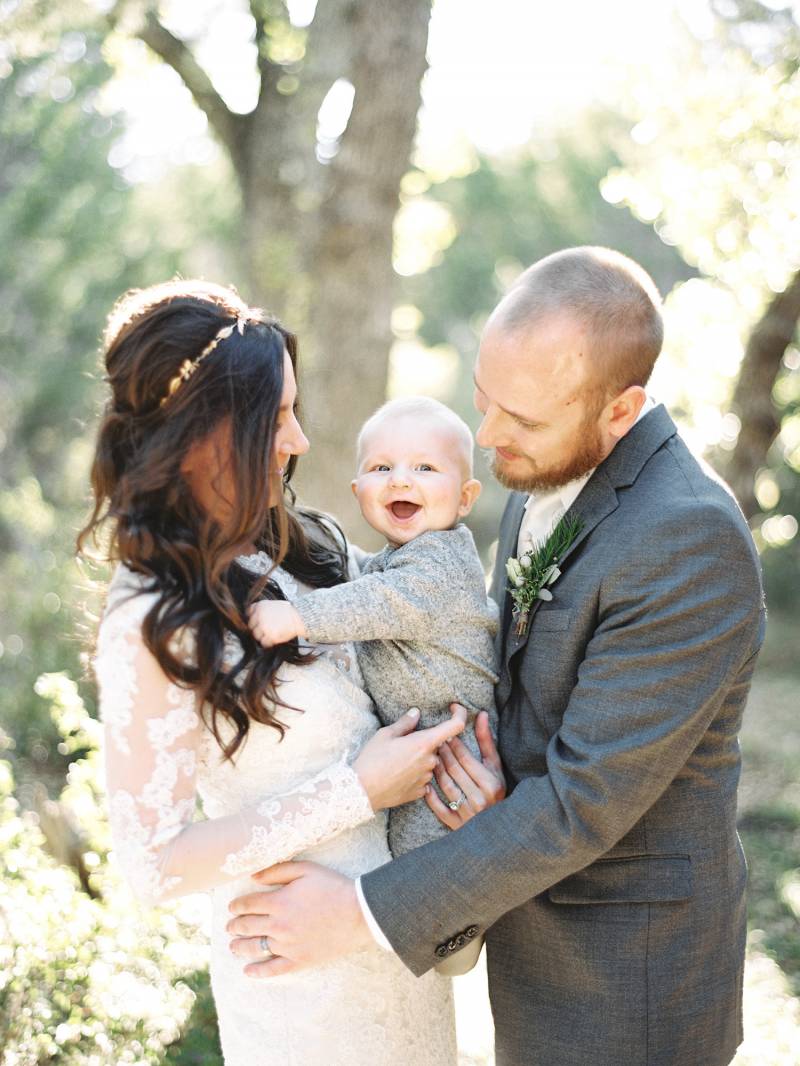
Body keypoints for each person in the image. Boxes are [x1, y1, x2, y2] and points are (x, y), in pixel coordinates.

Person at [226, 248, 766, 1066]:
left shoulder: (686, 536)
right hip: (528, 948)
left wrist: (360, 912)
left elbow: (586, 802)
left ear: (620, 412)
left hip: (626, 985)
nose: (487, 437)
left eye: (522, 419)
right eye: (486, 401)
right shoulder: (543, 468)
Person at [79, 279, 504, 1066]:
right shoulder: (148, 620)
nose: (300, 440)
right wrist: (357, 790)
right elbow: (152, 865)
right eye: (275, 417)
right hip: (301, 994)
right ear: (208, 431)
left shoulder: (313, 550)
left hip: (398, 954)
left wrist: (470, 787)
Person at [248, 395, 501, 975]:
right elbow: (362, 575)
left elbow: (380, 601)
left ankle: (457, 947)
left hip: (451, 749)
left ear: (465, 498)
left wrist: (298, 617)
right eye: (383, 468)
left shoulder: (443, 565)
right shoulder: (395, 557)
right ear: (359, 487)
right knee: (406, 855)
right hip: (422, 747)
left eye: (424, 468)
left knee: (426, 857)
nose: (401, 480)